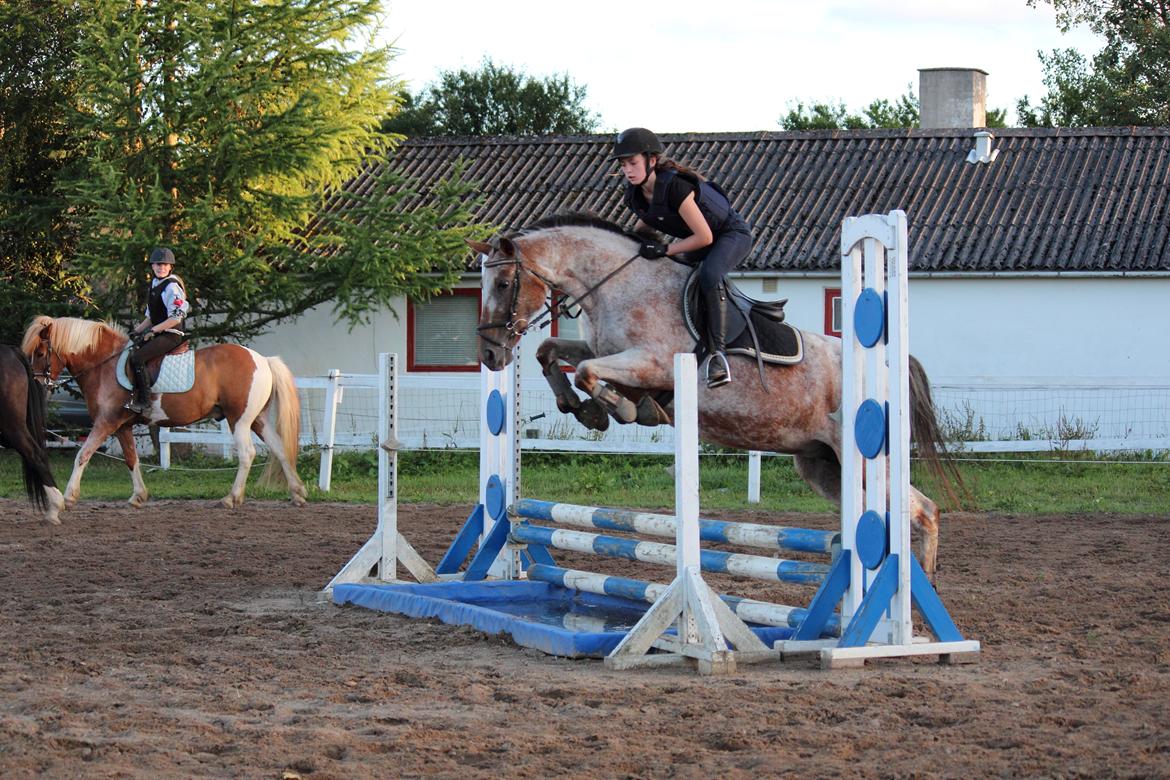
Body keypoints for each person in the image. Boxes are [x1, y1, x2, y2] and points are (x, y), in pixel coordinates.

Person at [613, 127, 754, 388]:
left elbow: (705, 238)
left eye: (633, 163)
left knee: (709, 275)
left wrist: (665, 250)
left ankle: (718, 355)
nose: (628, 170)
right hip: (701, 238)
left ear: (651, 160)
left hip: (729, 235)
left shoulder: (676, 187)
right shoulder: (635, 195)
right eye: (623, 165)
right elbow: (648, 223)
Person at [124, 247, 190, 414]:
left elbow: (176, 318)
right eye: (158, 265)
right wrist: (136, 332)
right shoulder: (155, 284)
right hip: (158, 331)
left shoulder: (172, 288)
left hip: (171, 335)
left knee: (137, 358)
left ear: (170, 267)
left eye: (164, 265)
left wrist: (153, 331)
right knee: (130, 350)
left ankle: (144, 401)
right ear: (152, 266)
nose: (161, 268)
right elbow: (151, 316)